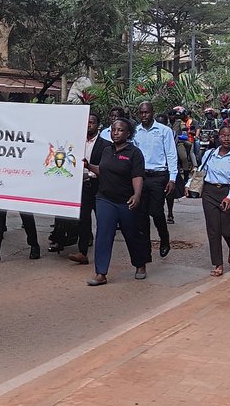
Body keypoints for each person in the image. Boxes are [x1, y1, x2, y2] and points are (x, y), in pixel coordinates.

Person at [85, 118, 147, 285]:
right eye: (113, 130)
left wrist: (137, 195)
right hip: (105, 199)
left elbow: (137, 176)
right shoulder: (107, 150)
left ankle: (140, 264)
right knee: (103, 235)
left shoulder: (134, 153)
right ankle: (101, 273)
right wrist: (89, 166)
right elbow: (102, 170)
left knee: (132, 235)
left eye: (120, 130)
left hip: (126, 201)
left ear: (128, 134)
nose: (116, 133)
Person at [132, 101, 177, 275]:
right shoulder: (135, 131)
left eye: (147, 112)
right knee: (141, 217)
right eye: (141, 112)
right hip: (140, 177)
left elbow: (171, 155)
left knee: (156, 212)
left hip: (158, 176)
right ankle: (145, 256)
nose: (144, 115)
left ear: (152, 112)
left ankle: (164, 237)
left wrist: (172, 178)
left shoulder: (164, 131)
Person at [198, 123, 230, 278]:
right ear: (218, 137)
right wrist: (189, 185)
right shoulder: (210, 154)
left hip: (227, 193)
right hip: (209, 192)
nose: (226, 139)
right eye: (223, 136)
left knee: (227, 230)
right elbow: (201, 170)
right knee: (213, 230)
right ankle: (217, 263)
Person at [69, 113, 106, 265]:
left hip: (98, 185)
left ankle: (102, 253)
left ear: (98, 125)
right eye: (87, 122)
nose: (89, 125)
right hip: (82, 185)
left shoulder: (105, 145)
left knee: (102, 220)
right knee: (83, 220)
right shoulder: (76, 143)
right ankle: (82, 252)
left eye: (92, 122)